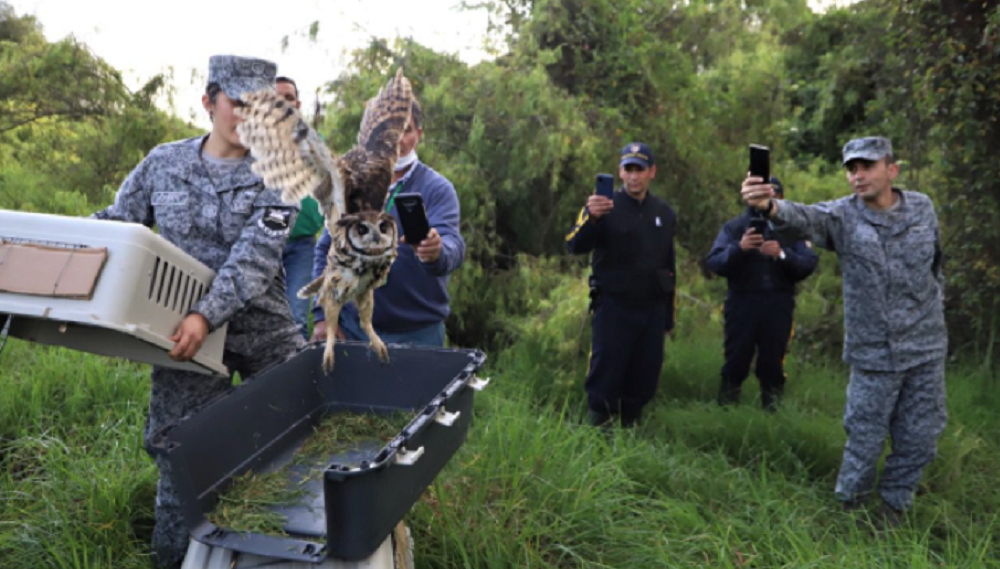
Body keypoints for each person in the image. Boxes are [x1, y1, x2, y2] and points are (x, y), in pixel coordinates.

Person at [93, 55, 305, 567]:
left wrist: (206, 314)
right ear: (209, 101)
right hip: (183, 339)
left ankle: (287, 555)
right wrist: (55, 247)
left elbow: (254, 260)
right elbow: (117, 225)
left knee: (300, 443)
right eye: (238, 103)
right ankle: (173, 560)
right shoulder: (163, 163)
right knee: (180, 459)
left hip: (263, 336)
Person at [741, 136, 947, 522]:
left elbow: (936, 265)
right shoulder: (842, 216)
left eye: (867, 166)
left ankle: (893, 509)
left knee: (921, 437)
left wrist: (934, 311)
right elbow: (804, 217)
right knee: (865, 438)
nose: (858, 175)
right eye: (852, 169)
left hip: (926, 349)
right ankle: (851, 512)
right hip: (874, 353)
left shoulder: (922, 208)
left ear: (892, 169)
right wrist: (768, 205)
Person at [311, 97, 464, 347]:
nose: (395, 140)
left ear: (419, 135)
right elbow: (325, 250)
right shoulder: (353, 184)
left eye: (405, 130)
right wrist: (322, 316)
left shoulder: (437, 188)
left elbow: (453, 247)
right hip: (353, 328)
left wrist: (436, 252)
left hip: (418, 333)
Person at [566, 142, 677, 428]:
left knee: (644, 376)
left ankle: (631, 431)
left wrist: (668, 316)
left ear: (652, 172)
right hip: (613, 307)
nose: (634, 176)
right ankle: (598, 432)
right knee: (606, 374)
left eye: (640, 170)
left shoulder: (664, 213)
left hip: (651, 309)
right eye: (629, 169)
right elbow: (574, 244)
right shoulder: (602, 207)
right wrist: (592, 218)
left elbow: (669, 266)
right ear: (620, 172)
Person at [706, 176, 818, 411]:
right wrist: (740, 249)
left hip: (778, 303)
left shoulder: (792, 230)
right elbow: (714, 262)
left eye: (772, 195)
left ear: (781, 198)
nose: (767, 200)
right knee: (735, 360)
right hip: (742, 302)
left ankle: (773, 416)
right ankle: (725, 413)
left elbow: (807, 264)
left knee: (773, 363)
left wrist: (782, 255)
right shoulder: (735, 227)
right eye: (761, 195)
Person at [274, 76, 324, 339]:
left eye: (289, 97)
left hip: (302, 245)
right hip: (264, 243)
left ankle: (296, 365)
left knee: (296, 318)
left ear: (298, 104)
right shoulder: (252, 142)